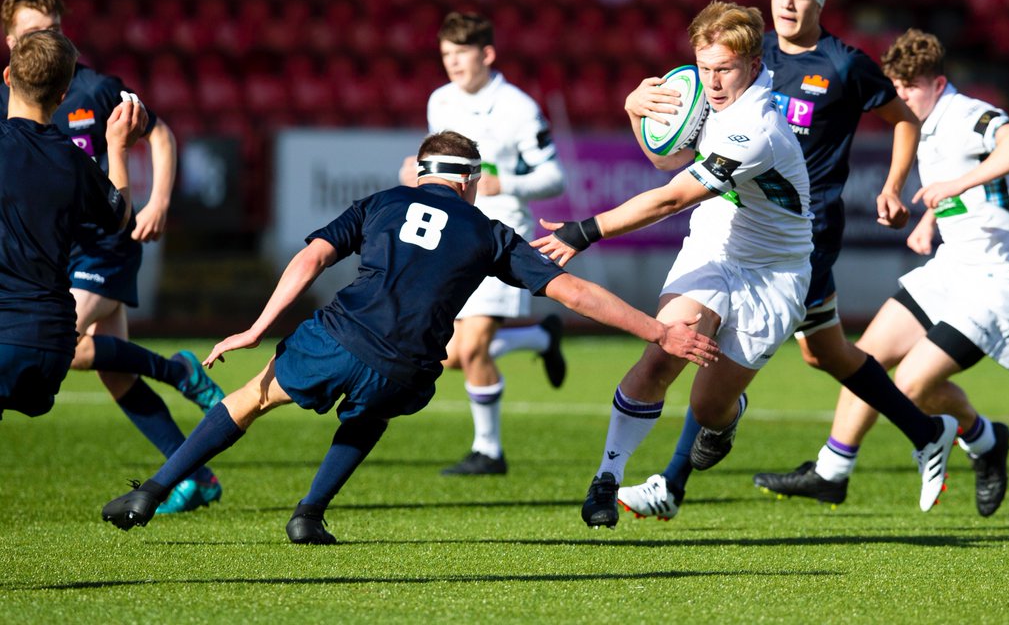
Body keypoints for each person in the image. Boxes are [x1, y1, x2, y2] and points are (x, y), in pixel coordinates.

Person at [102, 131, 718, 544]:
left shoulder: (381, 202)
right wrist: (658, 331)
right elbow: (574, 293)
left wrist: (257, 328)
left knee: (251, 399)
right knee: (371, 413)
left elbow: (310, 259)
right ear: (469, 181)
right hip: (406, 368)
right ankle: (309, 514)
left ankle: (152, 492)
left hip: (340, 337)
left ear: (422, 174)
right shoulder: (490, 233)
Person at [532, 1, 956, 529]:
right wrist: (636, 112)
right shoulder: (704, 94)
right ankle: (606, 478)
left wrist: (585, 230)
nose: (711, 81)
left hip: (775, 275)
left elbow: (671, 197)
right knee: (662, 354)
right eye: (704, 67)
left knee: (709, 407)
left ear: (754, 66)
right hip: (714, 248)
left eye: (724, 69)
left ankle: (726, 420)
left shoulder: (758, 128)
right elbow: (666, 160)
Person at [756, 29, 1009, 517]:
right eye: (897, 87)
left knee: (913, 385)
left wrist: (957, 184)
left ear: (939, 84)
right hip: (953, 266)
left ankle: (986, 439)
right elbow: (965, 191)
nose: (903, 96)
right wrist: (932, 218)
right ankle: (831, 472)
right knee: (864, 359)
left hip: (999, 278)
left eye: (912, 87)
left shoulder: (968, 115)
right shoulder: (921, 126)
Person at [2, 0, 225, 514]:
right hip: (59, 249)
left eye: (53, 29)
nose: (45, 38)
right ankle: (194, 476)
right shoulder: (14, 99)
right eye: (33, 32)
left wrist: (159, 200)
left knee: (72, 346)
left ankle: (177, 372)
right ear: (10, 41)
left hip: (104, 242)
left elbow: (161, 134)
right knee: (114, 372)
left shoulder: (97, 88)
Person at [401, 11, 568, 477]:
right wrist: (418, 172)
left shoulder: (519, 108)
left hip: (500, 234)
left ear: (487, 54)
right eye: (446, 54)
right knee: (452, 355)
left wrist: (505, 183)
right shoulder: (440, 101)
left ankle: (488, 451)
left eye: (461, 53)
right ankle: (540, 336)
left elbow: (555, 176)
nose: (453, 63)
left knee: (473, 347)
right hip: (454, 232)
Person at [0, 29, 135, 420]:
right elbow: (119, 216)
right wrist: (118, 148)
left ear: (7, 77)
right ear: (63, 95)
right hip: (53, 345)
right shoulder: (75, 163)